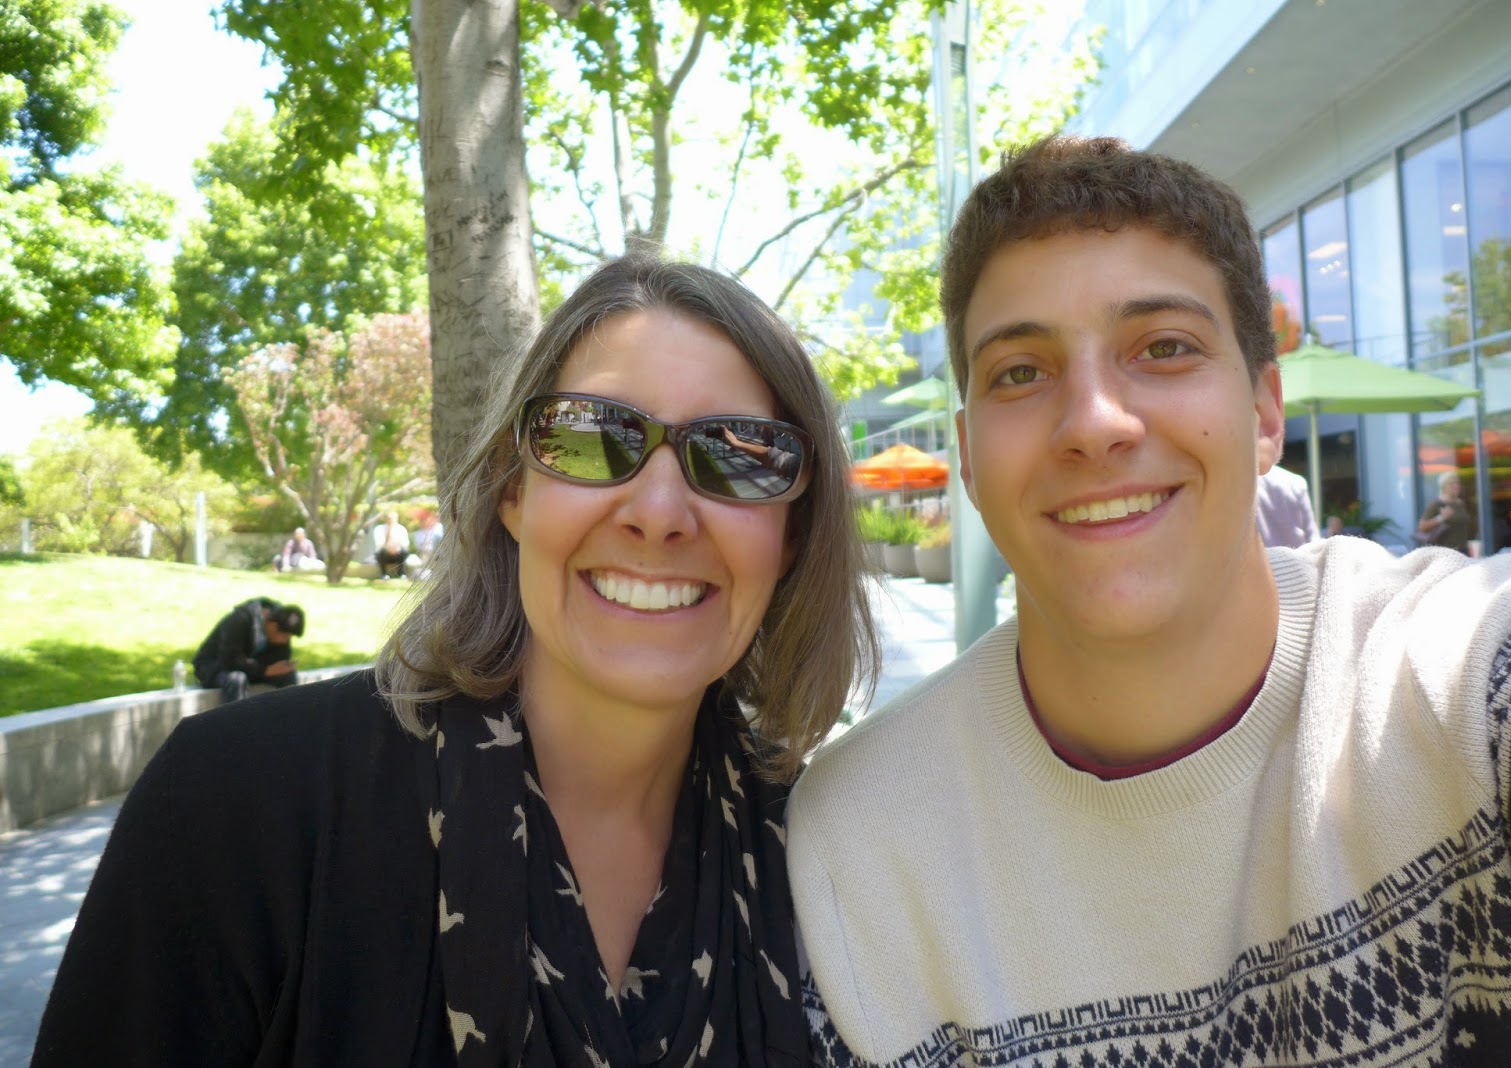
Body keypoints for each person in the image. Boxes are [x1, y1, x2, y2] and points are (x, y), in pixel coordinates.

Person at [786, 136, 1511, 1066]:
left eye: (1165, 348)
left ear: (1264, 414)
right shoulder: (852, 848)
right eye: (1020, 371)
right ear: (968, 455)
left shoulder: (1465, 663)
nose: (1094, 422)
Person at [32, 255, 877, 1067]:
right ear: (514, 491)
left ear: (792, 535)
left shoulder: (835, 860)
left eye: (737, 452)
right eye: (589, 437)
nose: (658, 513)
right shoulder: (239, 804)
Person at [190, 597, 304, 704]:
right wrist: (265, 670)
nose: (286, 640)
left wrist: (282, 667)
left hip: (248, 668)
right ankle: (236, 718)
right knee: (237, 679)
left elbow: (279, 659)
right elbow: (231, 660)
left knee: (288, 675)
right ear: (273, 626)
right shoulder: (240, 620)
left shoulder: (280, 630)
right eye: (285, 636)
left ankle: (289, 716)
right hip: (214, 667)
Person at [1255, 454, 1319, 548]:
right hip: (1298, 555)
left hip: (1260, 555)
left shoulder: (1241, 482)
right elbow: (1313, 540)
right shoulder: (1296, 482)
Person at [1416, 468, 1476, 552]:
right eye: (1452, 483)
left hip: (1463, 549)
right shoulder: (1437, 504)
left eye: (1457, 483)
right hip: (1445, 551)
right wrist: (1441, 518)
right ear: (1443, 486)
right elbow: (1422, 526)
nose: (1456, 486)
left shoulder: (1461, 504)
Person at [372, 510, 410, 579]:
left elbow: (405, 544)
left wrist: (396, 548)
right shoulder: (379, 529)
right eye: (389, 518)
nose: (391, 520)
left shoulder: (401, 529)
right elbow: (379, 544)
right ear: (385, 519)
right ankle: (383, 574)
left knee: (404, 551)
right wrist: (388, 547)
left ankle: (401, 573)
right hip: (384, 554)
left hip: (398, 553)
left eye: (393, 518)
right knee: (380, 552)